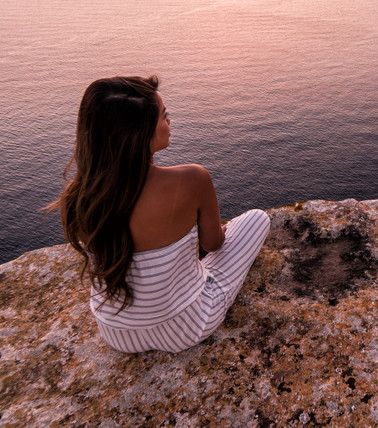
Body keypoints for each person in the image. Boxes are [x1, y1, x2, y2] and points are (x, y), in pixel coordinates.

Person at [48, 75, 270, 353]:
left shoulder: (74, 198)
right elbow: (213, 245)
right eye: (164, 116)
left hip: (116, 333)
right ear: (140, 133)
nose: (169, 121)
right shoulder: (192, 179)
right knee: (256, 220)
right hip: (187, 326)